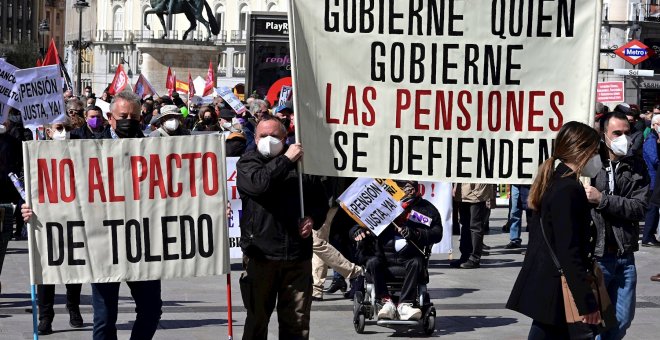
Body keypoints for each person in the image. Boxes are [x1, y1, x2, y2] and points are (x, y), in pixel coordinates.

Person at [507, 121, 613, 339]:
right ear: (580, 150)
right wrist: (586, 301)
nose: (596, 158)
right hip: (559, 289)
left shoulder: (555, 181)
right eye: (594, 151)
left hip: (549, 285)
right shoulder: (568, 189)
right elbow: (569, 251)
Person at [237, 117, 328, 339]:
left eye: (275, 136)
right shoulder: (248, 163)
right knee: (257, 319)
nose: (268, 140)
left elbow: (321, 199)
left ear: (285, 138)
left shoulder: (304, 163)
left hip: (296, 257)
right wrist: (286, 160)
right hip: (261, 255)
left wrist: (313, 218)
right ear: (255, 138)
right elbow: (259, 185)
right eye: (263, 136)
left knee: (296, 323)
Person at [588, 111, 649, 340]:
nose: (624, 138)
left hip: (625, 255)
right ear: (604, 135)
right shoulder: (592, 164)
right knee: (593, 322)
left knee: (622, 320)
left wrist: (602, 200)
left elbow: (639, 207)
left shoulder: (636, 166)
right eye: (617, 133)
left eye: (627, 132)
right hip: (598, 255)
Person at [350, 180, 442, 321]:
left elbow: (437, 233)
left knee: (417, 262)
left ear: (416, 187)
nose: (406, 189)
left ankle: (405, 304)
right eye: (401, 185)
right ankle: (385, 301)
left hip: (409, 255)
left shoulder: (426, 209)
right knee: (373, 262)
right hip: (381, 254)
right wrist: (357, 231)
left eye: (409, 185)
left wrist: (417, 233)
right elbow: (357, 226)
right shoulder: (380, 204)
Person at [24, 119, 85, 334]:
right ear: (48, 131)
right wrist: (25, 206)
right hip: (46, 219)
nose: (64, 133)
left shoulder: (80, 151)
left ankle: (74, 308)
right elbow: (27, 185)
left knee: (75, 268)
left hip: (74, 216)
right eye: (59, 129)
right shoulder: (36, 153)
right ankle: (45, 317)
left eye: (67, 128)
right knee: (45, 271)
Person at [450, 183, 494, 269]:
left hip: (477, 190)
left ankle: (474, 258)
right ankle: (465, 256)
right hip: (463, 190)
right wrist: (455, 186)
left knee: (475, 225)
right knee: (465, 224)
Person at [642, 115, 660, 247]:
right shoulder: (650, 140)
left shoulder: (655, 139)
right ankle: (647, 236)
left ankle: (650, 235)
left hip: (655, 178)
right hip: (652, 179)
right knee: (652, 209)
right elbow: (654, 160)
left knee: (655, 208)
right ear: (654, 125)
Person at [505, 185, 532, 249]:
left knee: (530, 212)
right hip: (516, 184)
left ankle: (532, 240)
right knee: (514, 211)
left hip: (529, 184)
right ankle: (514, 239)